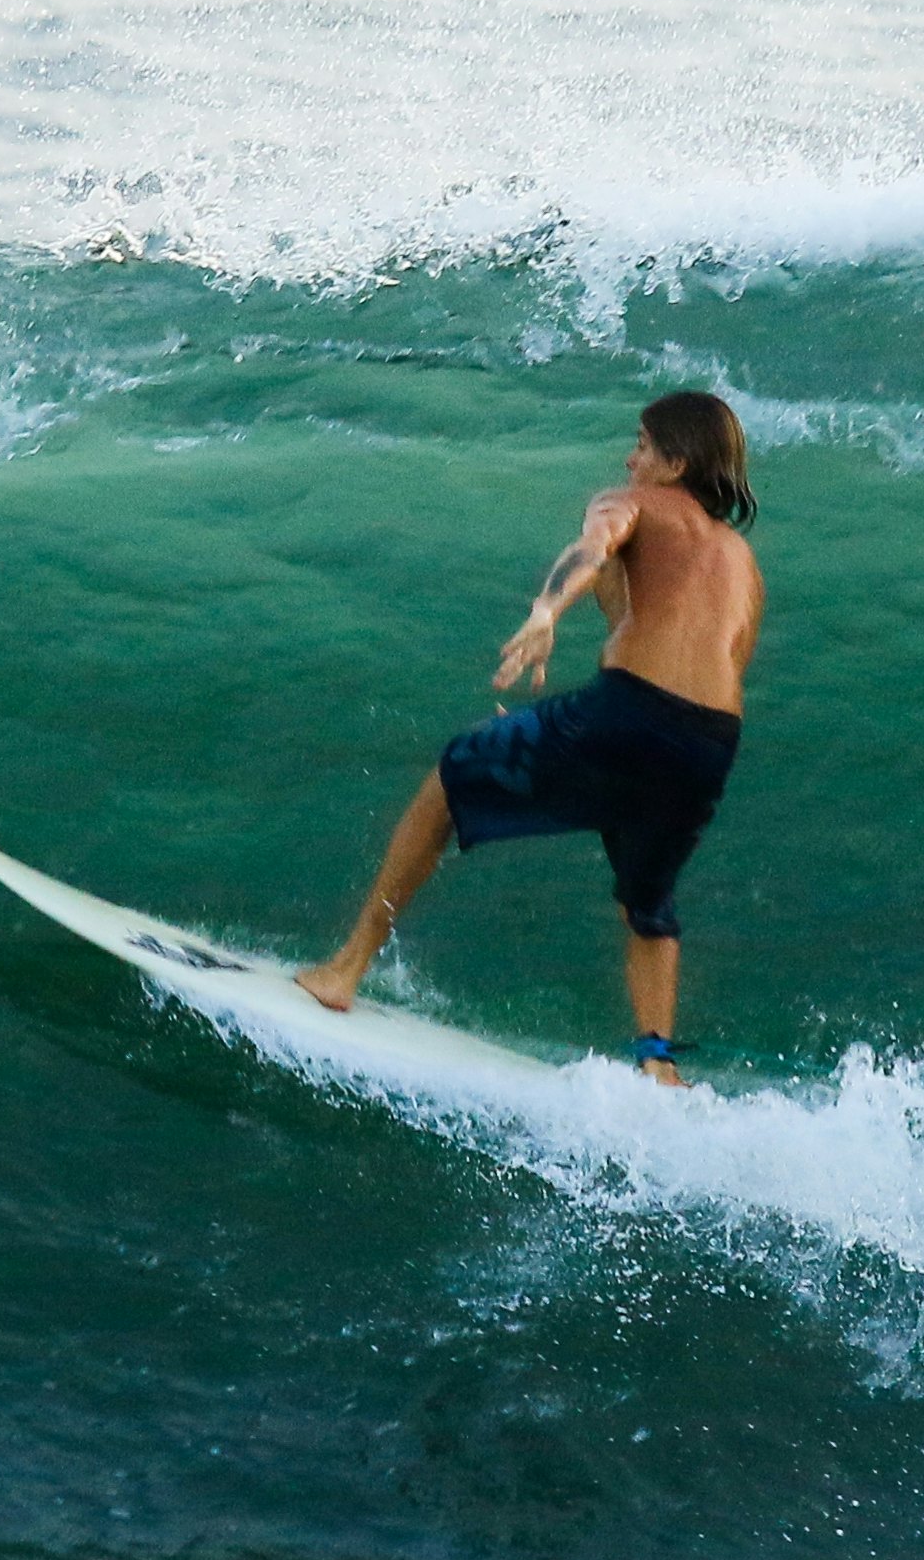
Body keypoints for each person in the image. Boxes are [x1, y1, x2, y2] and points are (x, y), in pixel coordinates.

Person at [297, 390, 760, 1084]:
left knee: (454, 774)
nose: (629, 458)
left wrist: (547, 610)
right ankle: (657, 1064)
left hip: (630, 711)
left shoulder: (631, 500)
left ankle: (346, 968)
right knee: (648, 901)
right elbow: (700, 653)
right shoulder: (740, 562)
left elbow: (592, 546)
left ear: (675, 461)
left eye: (640, 445)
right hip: (710, 742)